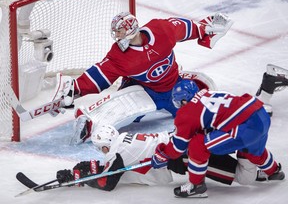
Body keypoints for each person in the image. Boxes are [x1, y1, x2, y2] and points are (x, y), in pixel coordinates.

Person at [52, 11, 233, 142]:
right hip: (145, 91)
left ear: (130, 31)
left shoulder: (161, 29)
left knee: (200, 98)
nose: (116, 35)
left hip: (174, 86)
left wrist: (206, 28)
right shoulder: (119, 55)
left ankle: (227, 115)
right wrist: (75, 89)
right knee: (123, 113)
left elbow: (188, 28)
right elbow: (99, 75)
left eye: (119, 32)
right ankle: (90, 122)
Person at [150, 79, 285, 198]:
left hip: (246, 126)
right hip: (260, 115)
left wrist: (162, 154)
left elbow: (177, 148)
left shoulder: (187, 111)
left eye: (179, 103)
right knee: (255, 152)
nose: (179, 106)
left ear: (184, 100)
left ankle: (196, 186)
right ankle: (273, 172)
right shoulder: (207, 94)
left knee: (198, 144)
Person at [56, 125, 260, 191]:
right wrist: (93, 167)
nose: (102, 153)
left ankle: (251, 146)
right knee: (226, 146)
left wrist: (80, 178)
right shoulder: (125, 138)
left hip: (187, 156)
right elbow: (114, 166)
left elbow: (107, 183)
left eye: (101, 150)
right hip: (182, 139)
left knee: (245, 178)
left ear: (105, 146)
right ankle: (249, 145)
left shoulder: (116, 153)